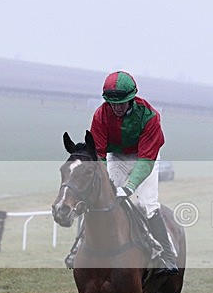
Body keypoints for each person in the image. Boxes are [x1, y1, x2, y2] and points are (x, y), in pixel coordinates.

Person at [64, 71, 178, 275]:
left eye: (122, 103)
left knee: (145, 203)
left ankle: (167, 255)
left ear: (132, 99)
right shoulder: (100, 114)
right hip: (116, 156)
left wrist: (129, 187)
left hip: (145, 158)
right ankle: (78, 247)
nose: (116, 108)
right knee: (99, 199)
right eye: (112, 103)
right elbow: (98, 153)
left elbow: (145, 161)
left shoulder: (150, 116)